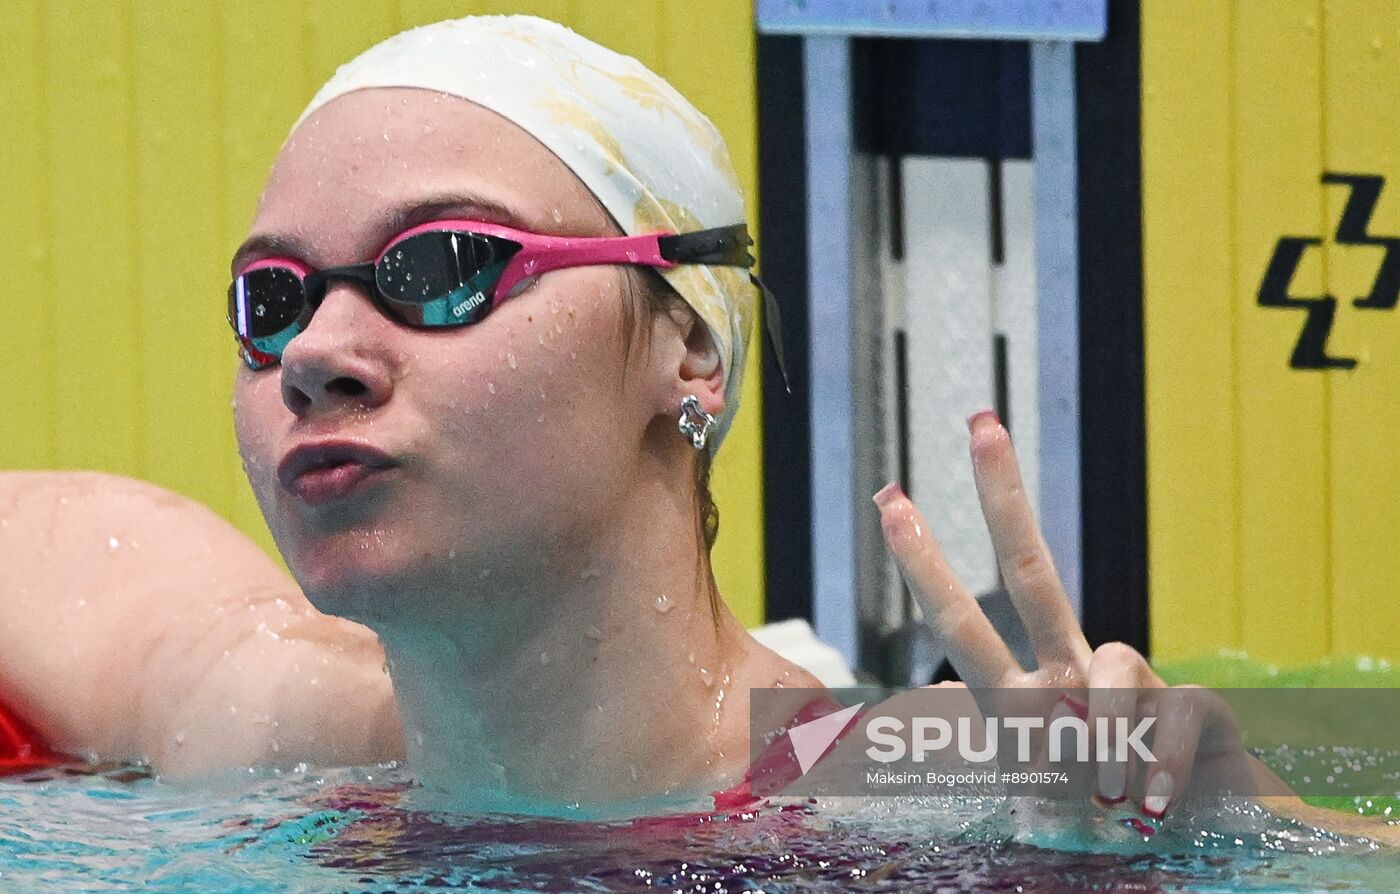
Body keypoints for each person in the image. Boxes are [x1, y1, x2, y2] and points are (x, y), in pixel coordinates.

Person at [0, 15, 1395, 840]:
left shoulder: (895, 788)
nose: (313, 353)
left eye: (442, 266)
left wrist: (1216, 810)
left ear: (689, 348)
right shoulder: (277, 719)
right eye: (273, 295)